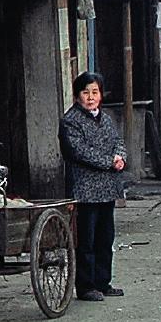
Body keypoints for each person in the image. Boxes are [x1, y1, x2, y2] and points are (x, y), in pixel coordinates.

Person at [59, 71, 128, 301]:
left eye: (95, 92)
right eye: (86, 92)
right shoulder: (70, 121)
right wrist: (108, 161)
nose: (90, 97)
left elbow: (118, 141)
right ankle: (86, 286)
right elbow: (77, 151)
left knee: (105, 238)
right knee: (85, 241)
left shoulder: (105, 118)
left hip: (107, 187)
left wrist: (120, 156)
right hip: (85, 189)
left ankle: (103, 282)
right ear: (78, 95)